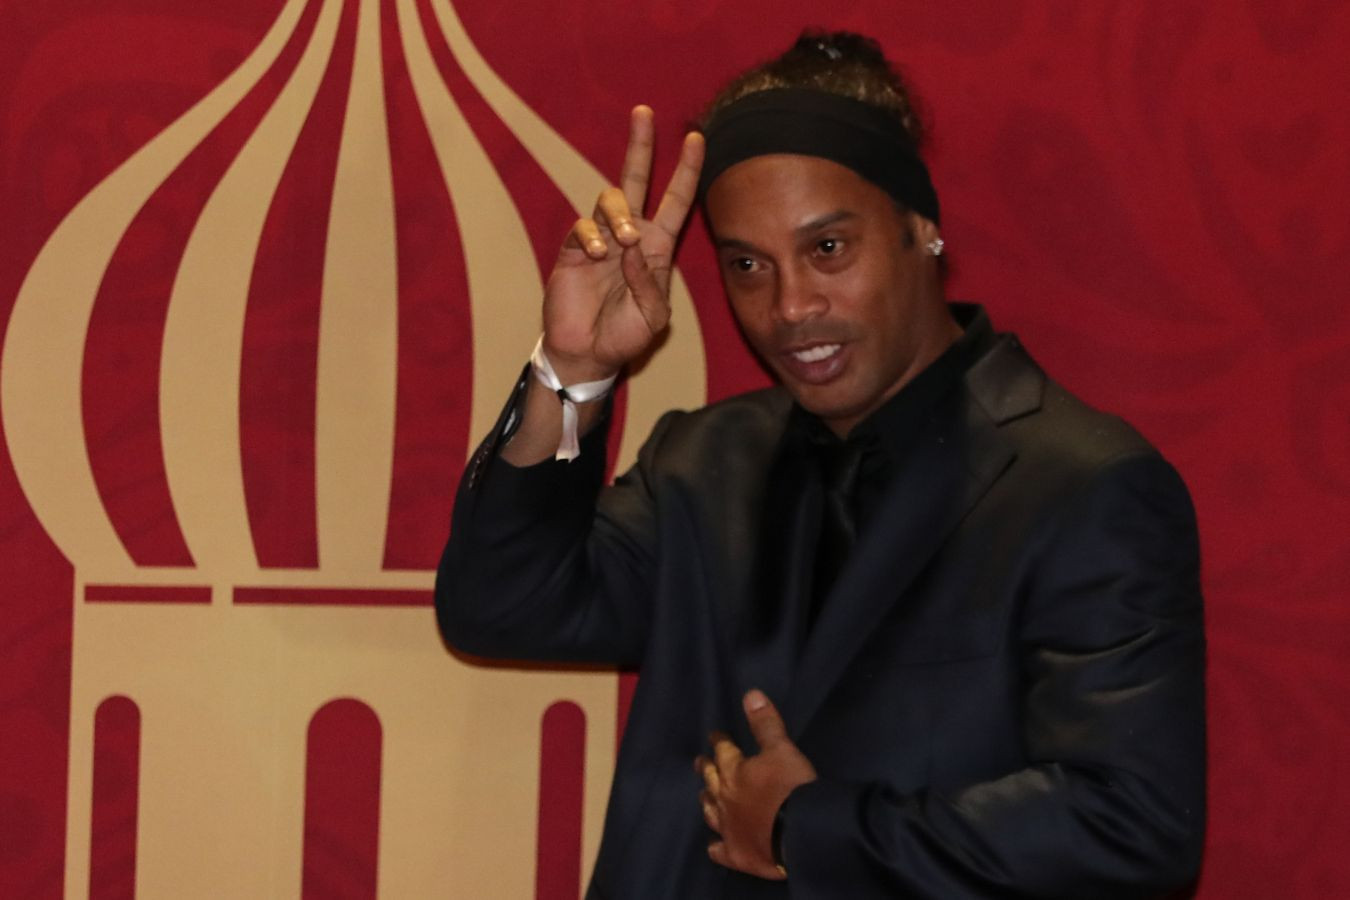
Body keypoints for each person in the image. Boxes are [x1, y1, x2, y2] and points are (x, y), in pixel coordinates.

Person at [436, 30, 1205, 899]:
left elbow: (1132, 828)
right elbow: (501, 608)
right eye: (747, 265)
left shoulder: (1081, 484)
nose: (791, 306)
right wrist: (574, 369)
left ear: (922, 229)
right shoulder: (703, 462)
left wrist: (810, 829)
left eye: (828, 249)